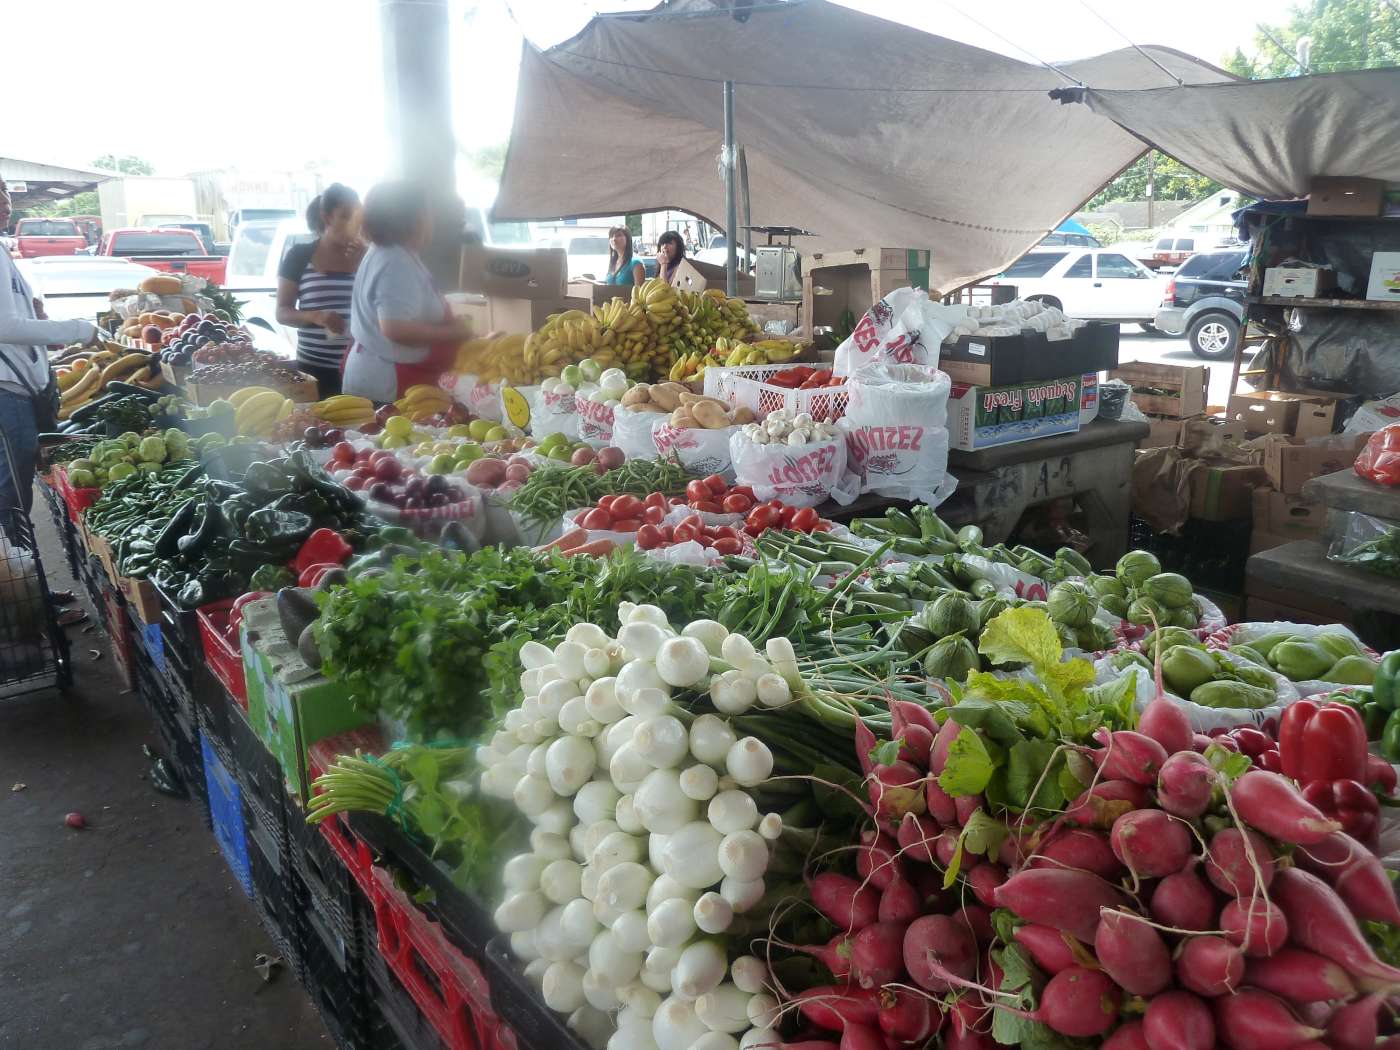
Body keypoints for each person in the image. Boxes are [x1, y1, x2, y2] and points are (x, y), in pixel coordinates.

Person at [0, 176, 101, 524]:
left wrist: (35, 316)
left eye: (3, 190)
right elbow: (4, 327)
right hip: (7, 392)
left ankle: (16, 562)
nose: (2, 199)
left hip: (17, 389)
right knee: (10, 491)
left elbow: (12, 317)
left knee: (15, 484)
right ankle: (16, 566)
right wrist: (77, 329)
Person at [343, 181, 469, 404]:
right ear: (416, 218)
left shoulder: (390, 253)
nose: (432, 219)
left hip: (379, 375)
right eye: (428, 211)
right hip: (388, 385)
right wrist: (454, 332)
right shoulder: (395, 262)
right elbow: (395, 328)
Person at [276, 184, 364, 396]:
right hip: (315, 371)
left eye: (358, 218)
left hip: (361, 368)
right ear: (326, 218)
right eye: (345, 216)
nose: (354, 225)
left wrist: (365, 266)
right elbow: (282, 312)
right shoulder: (299, 256)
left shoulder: (368, 258)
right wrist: (316, 316)